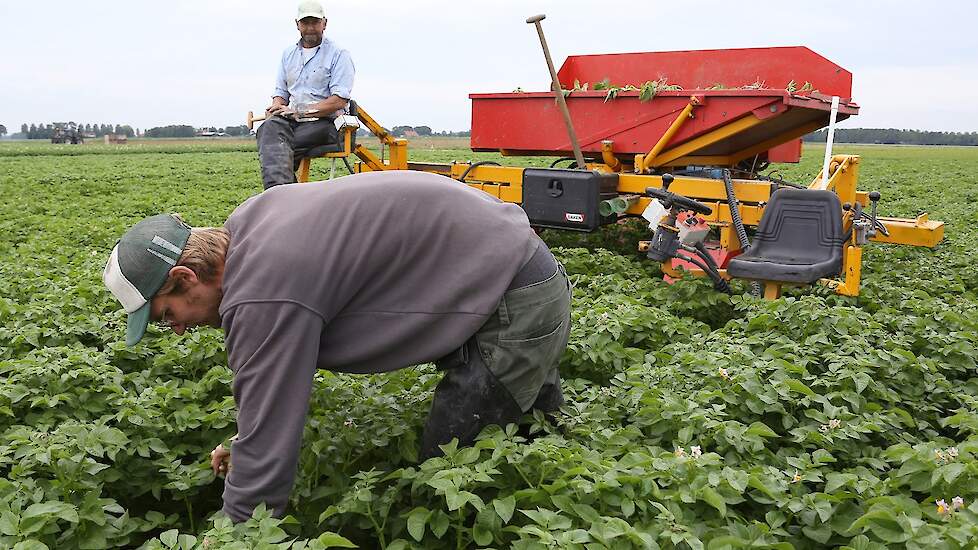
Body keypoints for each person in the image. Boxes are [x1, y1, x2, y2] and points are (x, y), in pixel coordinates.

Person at [102, 171, 571, 523]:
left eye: (168, 316)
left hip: (514, 297)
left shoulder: (263, 291)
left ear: (186, 277)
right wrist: (247, 443)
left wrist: (236, 529)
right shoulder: (248, 227)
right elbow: (271, 397)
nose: (179, 330)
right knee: (532, 435)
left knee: (444, 477)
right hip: (507, 266)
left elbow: (267, 446)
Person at [257, 0, 355, 190]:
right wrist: (277, 106)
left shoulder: (339, 54)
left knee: (276, 147)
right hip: (292, 122)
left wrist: (298, 112)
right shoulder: (288, 54)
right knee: (268, 128)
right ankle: (287, 196)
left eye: (315, 23)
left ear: (324, 23)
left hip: (325, 123)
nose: (310, 28)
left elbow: (338, 100)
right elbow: (281, 93)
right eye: (305, 23)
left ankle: (278, 197)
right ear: (297, 24)